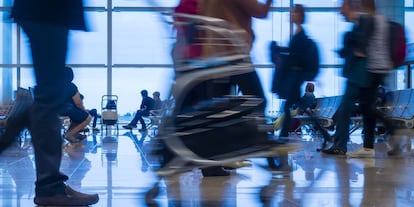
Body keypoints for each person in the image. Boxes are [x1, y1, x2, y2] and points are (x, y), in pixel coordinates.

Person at [0, 0, 99, 206]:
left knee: (48, 98)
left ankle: (51, 185)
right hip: (47, 10)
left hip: (48, 12)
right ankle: (50, 187)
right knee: (48, 100)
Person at [322, 0, 394, 158]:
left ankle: (341, 145)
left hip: (358, 74)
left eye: (342, 8)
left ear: (352, 6)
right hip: (361, 73)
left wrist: (351, 46)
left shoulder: (364, 20)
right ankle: (365, 146)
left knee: (346, 109)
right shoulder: (361, 21)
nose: (340, 11)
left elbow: (361, 48)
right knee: (366, 109)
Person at [274, 4, 314, 138]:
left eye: (293, 12)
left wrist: (283, 51)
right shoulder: (298, 33)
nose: (290, 14)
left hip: (295, 77)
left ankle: (283, 136)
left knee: (288, 106)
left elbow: (297, 55)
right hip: (295, 77)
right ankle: (283, 135)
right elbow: (294, 53)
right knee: (293, 105)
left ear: (299, 15)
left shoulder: (300, 35)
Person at [60, 67, 92, 142]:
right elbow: (78, 103)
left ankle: (73, 133)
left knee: (76, 118)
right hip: (66, 109)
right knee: (88, 117)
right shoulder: (71, 86)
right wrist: (84, 110)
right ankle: (70, 133)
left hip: (54, 109)